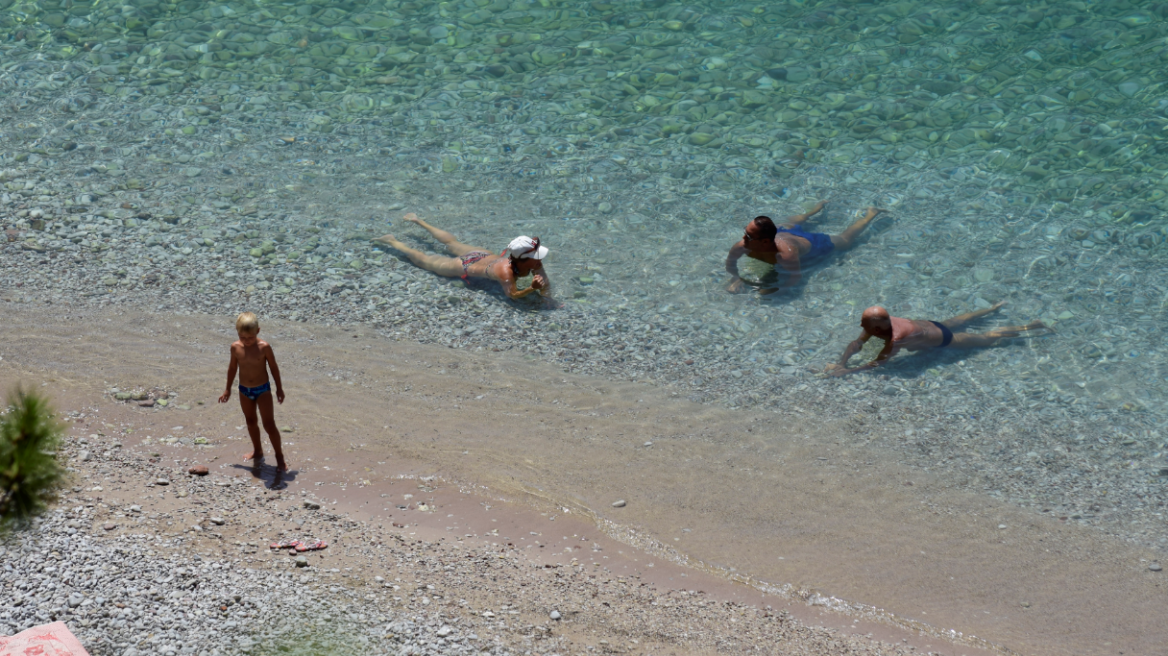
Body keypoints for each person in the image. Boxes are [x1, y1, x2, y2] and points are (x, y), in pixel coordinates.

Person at [373, 213, 556, 306]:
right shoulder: (505, 271)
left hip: (481, 254)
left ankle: (418, 221)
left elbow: (544, 280)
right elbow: (512, 295)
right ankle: (394, 242)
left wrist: (547, 298)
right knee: (425, 261)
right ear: (523, 260)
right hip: (466, 264)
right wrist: (532, 288)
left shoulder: (530, 262)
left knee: (452, 243)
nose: (540, 260)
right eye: (536, 256)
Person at [825, 303, 1049, 376]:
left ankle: (1031, 327)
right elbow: (857, 343)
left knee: (986, 339)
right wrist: (842, 362)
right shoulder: (881, 319)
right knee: (957, 319)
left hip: (943, 339)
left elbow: (882, 361)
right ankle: (992, 308)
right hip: (929, 325)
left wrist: (849, 371)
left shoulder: (897, 336)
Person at [726, 201, 886, 294]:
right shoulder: (743, 244)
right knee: (789, 223)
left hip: (811, 243)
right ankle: (814, 210)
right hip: (783, 230)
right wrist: (737, 278)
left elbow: (795, 278)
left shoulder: (787, 254)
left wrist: (772, 288)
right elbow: (731, 263)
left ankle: (871, 213)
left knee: (845, 240)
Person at [218, 312, 287, 471]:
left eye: (250, 337)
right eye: (243, 337)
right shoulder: (235, 347)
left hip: (262, 389)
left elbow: (274, 368)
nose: (246, 341)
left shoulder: (264, 347)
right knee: (250, 422)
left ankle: (279, 457)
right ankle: (257, 450)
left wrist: (279, 388)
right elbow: (232, 368)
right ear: (237, 333)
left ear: (258, 331)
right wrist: (227, 389)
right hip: (244, 390)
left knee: (269, 424)